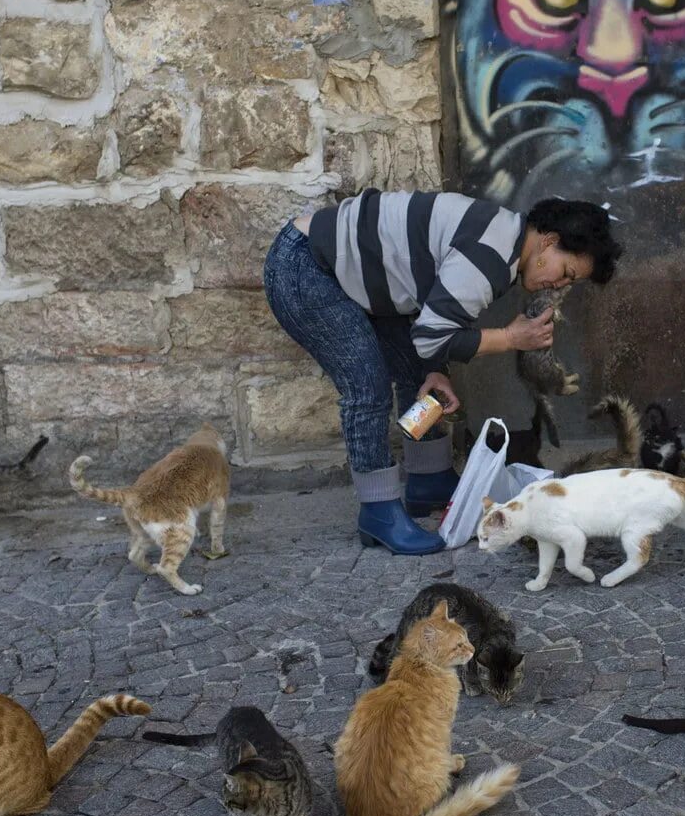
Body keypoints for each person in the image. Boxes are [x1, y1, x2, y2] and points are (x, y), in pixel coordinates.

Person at [264, 190, 622, 554]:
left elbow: (432, 319)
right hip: (305, 267)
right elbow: (432, 337)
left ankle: (428, 477)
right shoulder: (490, 257)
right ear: (548, 241)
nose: (561, 285)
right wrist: (511, 337)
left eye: (570, 283)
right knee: (366, 387)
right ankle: (378, 512)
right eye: (567, 273)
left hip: (339, 272)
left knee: (417, 374)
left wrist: (434, 370)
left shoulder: (503, 242)